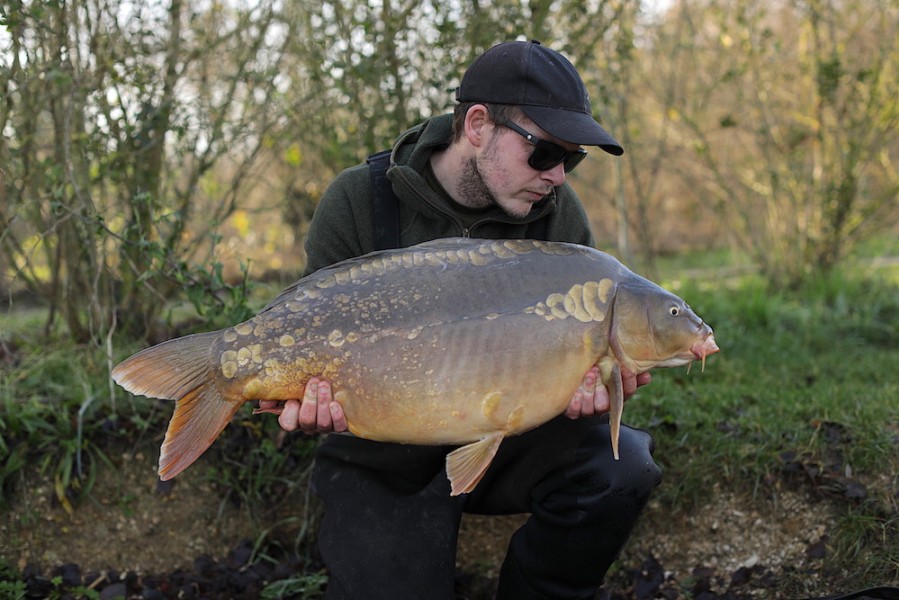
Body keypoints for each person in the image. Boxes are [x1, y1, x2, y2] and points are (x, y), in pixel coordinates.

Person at [261, 39, 661, 600]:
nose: (558, 177)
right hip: (382, 453)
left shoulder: (558, 217)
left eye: (572, 160)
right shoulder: (359, 200)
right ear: (477, 125)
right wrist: (308, 400)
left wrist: (592, 387)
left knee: (621, 466)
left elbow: (589, 356)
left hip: (509, 438)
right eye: (545, 153)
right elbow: (313, 339)